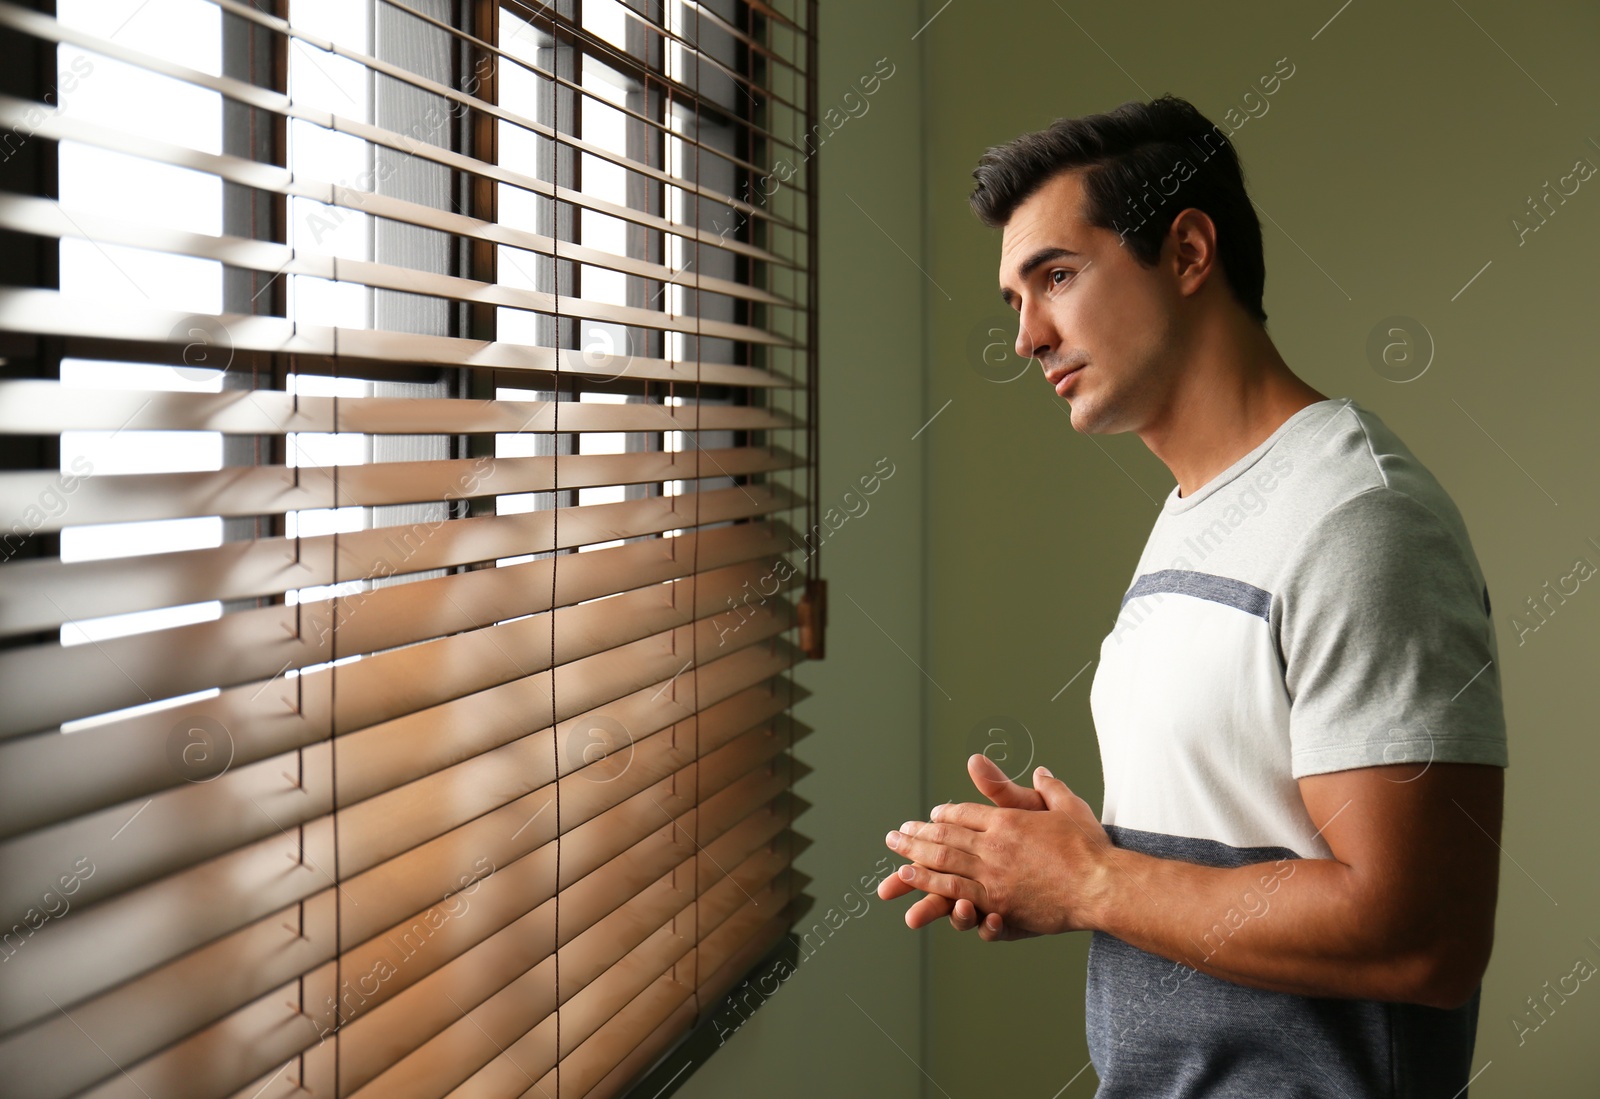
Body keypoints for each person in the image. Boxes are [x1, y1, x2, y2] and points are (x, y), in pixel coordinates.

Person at [876, 95, 1508, 1097]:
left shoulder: (1358, 520)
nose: (1026, 337)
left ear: (1185, 252)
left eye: (1057, 276)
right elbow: (1230, 841)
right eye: (1014, 300)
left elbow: (1422, 937)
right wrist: (1076, 857)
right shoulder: (1200, 508)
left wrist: (1091, 879)